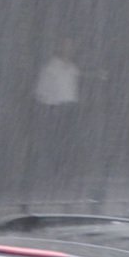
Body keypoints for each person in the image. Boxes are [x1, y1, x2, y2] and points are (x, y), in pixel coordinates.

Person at [29, 38, 82, 193]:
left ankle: (65, 177)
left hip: (70, 110)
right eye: (65, 45)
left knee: (69, 146)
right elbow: (40, 92)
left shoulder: (73, 69)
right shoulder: (50, 69)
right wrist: (48, 109)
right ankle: (53, 177)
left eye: (71, 46)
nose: (68, 49)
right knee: (55, 146)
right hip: (55, 110)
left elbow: (74, 91)